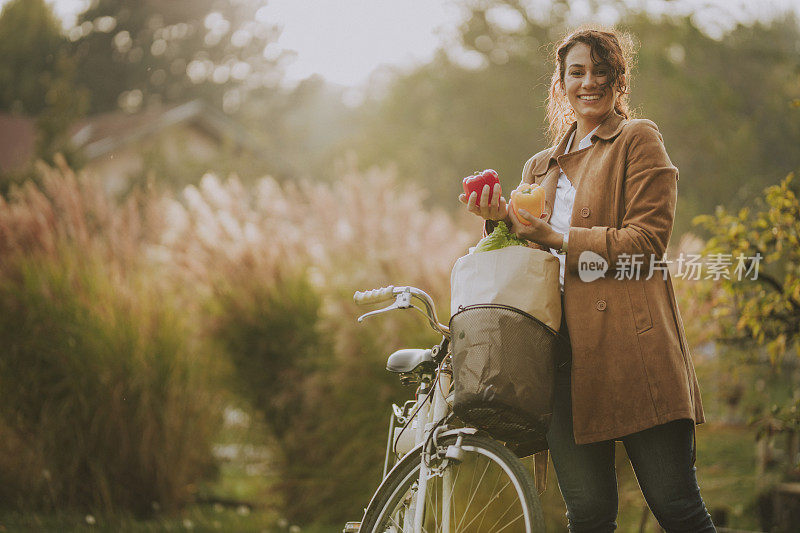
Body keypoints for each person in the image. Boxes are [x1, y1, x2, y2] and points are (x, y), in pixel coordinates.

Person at [459, 26, 716, 532]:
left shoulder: (638, 139)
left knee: (677, 508)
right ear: (561, 83)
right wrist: (498, 222)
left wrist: (556, 236)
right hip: (560, 359)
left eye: (601, 71)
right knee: (589, 515)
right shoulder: (540, 166)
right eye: (577, 72)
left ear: (620, 81)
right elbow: (529, 260)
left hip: (634, 352)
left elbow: (645, 245)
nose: (589, 82)